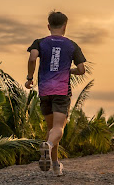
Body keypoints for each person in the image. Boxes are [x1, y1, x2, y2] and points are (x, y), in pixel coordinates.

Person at [25, 11, 87, 176]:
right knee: (58, 128)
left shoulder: (40, 42)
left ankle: (55, 165)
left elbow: (32, 58)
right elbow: (81, 70)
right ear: (65, 26)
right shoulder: (71, 45)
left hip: (45, 90)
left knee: (52, 129)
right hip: (61, 90)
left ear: (48, 26)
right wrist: (69, 70)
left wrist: (29, 78)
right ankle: (49, 147)